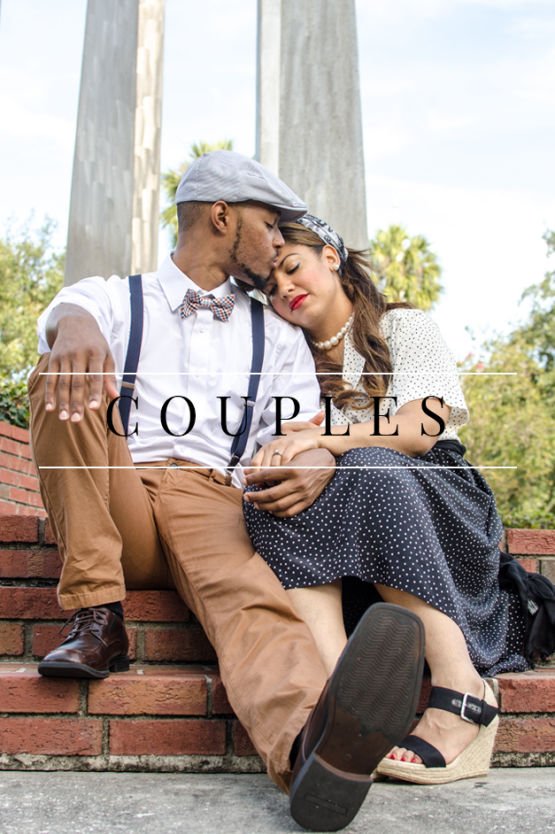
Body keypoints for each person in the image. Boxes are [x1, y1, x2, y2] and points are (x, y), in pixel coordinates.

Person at [28, 152, 425, 831]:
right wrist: (74, 327)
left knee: (252, 600)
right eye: (268, 226)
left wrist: (318, 462)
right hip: (117, 501)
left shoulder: (276, 335)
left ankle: (311, 747)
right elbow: (72, 310)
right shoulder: (113, 298)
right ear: (221, 216)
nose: (275, 244)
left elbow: (301, 429)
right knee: (59, 378)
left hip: (213, 499)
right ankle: (97, 614)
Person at [243, 212, 531, 786]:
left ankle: (463, 695)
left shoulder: (404, 327)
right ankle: (343, 707)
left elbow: (421, 428)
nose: (285, 289)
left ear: (331, 257)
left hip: (440, 497)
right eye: (271, 287)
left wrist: (326, 442)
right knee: (269, 499)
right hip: (349, 532)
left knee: (368, 466)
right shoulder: (286, 355)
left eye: (292, 268)